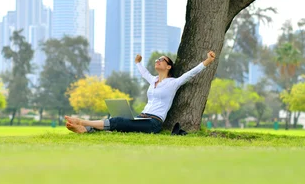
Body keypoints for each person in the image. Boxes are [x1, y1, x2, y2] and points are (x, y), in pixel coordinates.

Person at [65, 51, 216, 134]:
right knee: (118, 122)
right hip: (141, 117)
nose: (158, 60)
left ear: (169, 67)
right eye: (157, 59)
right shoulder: (153, 81)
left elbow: (191, 73)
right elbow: (144, 73)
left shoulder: (173, 83)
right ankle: (85, 130)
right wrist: (138, 62)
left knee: (119, 122)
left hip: (153, 123)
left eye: (162, 59)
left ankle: (82, 122)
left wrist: (208, 61)